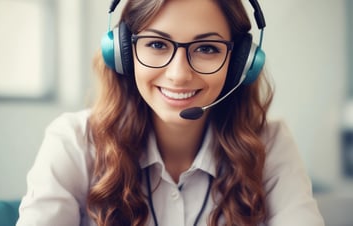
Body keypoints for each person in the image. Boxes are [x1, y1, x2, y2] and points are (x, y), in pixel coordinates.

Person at [16, 0, 325, 225]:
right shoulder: (74, 141)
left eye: (207, 49)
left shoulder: (270, 143)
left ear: (241, 64)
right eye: (156, 44)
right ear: (123, 52)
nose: (179, 75)